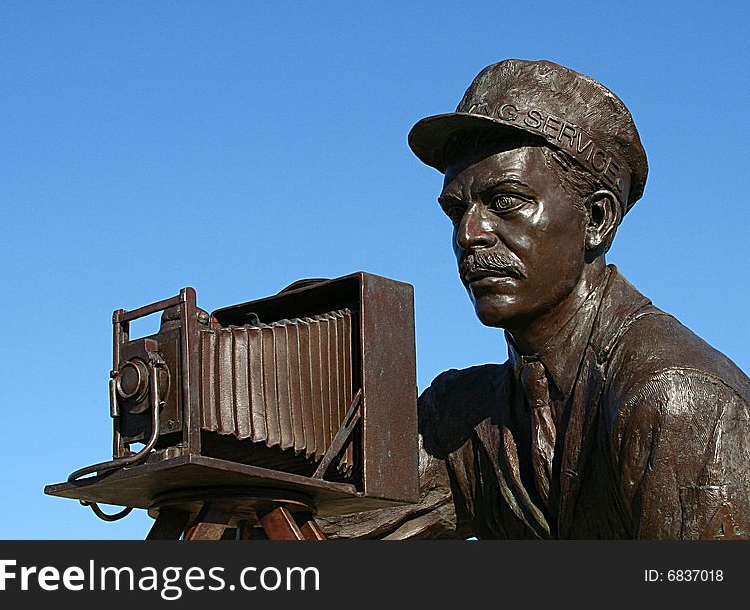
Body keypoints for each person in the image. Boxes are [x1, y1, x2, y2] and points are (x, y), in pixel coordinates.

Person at [319, 59, 750, 539]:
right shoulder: (464, 415)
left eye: (506, 202)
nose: (470, 233)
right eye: (457, 211)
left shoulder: (674, 401)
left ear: (598, 219)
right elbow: (317, 537)